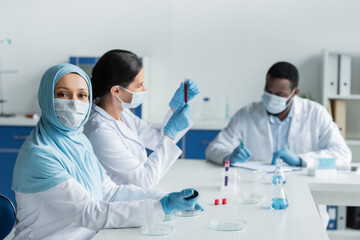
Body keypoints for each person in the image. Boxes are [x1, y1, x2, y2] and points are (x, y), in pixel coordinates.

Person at [11, 63, 202, 240]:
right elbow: (90, 213)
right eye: (62, 94)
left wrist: (164, 198)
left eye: (82, 95)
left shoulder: (79, 142)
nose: (74, 103)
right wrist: (163, 206)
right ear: (45, 97)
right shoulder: (39, 155)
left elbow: (110, 192)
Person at [83, 50, 199, 188]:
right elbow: (145, 180)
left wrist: (175, 108)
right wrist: (170, 134)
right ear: (116, 91)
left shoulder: (124, 114)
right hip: (120, 204)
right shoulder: (100, 131)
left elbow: (157, 139)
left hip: (137, 198)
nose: (144, 89)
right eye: (138, 85)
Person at [206, 61, 351, 168]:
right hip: (257, 188)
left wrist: (301, 160)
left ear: (295, 93)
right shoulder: (246, 114)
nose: (271, 97)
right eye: (268, 91)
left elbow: (342, 154)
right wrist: (230, 157)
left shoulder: (316, 113)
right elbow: (213, 149)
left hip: (303, 188)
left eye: (279, 94)